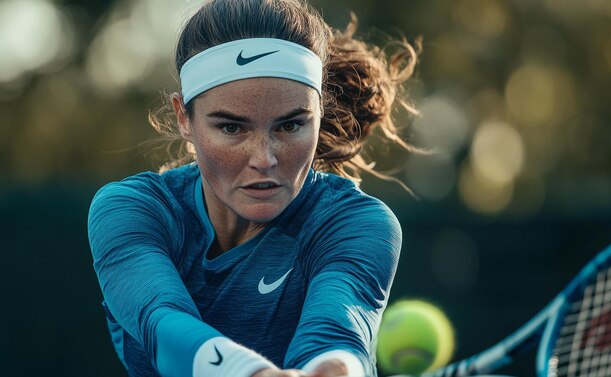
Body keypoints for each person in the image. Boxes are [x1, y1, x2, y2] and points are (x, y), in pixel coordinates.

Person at [87, 0, 420, 376]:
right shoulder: (131, 210)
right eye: (232, 128)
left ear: (320, 112)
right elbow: (160, 319)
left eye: (290, 126)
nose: (264, 158)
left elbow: (338, 334)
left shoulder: (356, 222)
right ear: (184, 118)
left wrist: (335, 367)